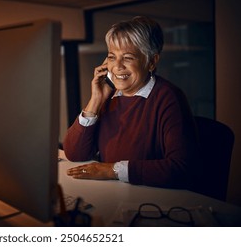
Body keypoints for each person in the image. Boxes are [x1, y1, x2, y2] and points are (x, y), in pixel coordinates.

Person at [63, 16, 197, 189]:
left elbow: (181, 168)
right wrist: (96, 99)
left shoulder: (168, 97)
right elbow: (75, 153)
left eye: (127, 57)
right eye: (112, 57)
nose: (117, 66)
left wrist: (112, 170)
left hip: (151, 199)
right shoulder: (109, 96)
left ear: (151, 62)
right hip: (113, 193)